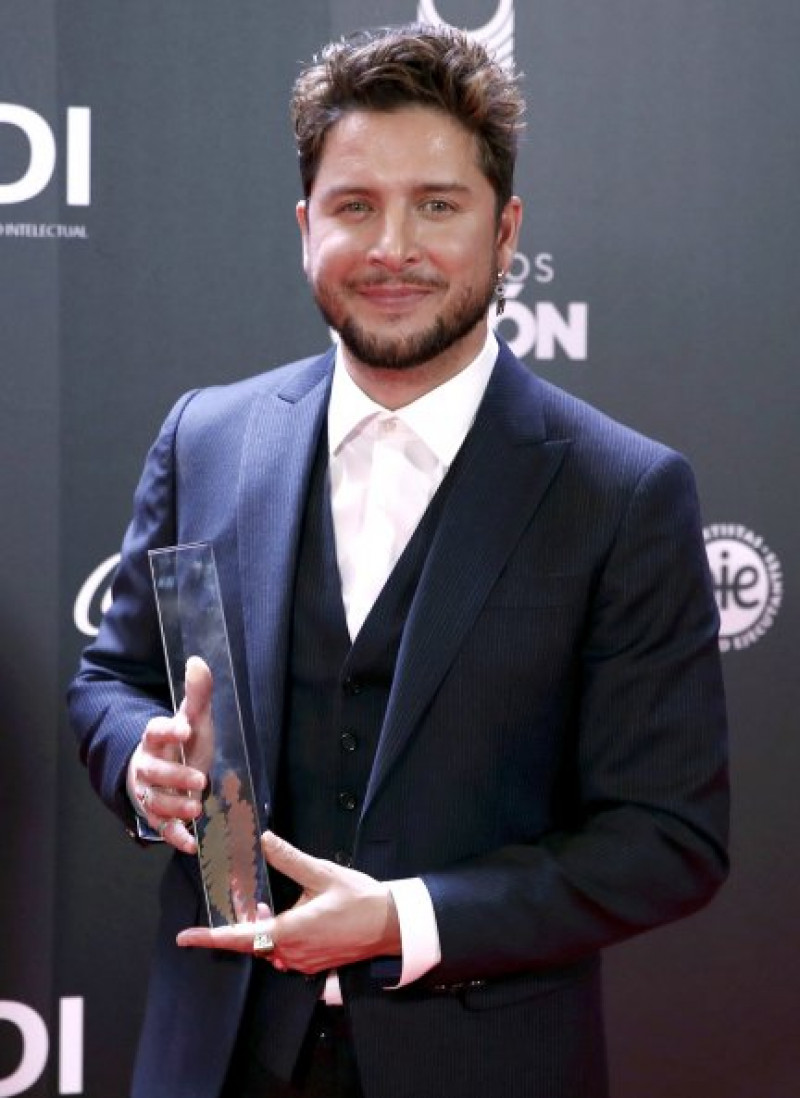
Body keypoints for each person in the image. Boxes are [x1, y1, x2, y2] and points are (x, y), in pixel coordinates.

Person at [67, 22, 729, 1098]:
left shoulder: (622, 492)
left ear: (504, 230)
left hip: (484, 1062)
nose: (391, 249)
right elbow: (112, 679)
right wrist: (141, 766)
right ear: (302, 226)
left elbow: (668, 839)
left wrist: (405, 918)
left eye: (436, 204)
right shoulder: (206, 438)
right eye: (354, 206)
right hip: (212, 1054)